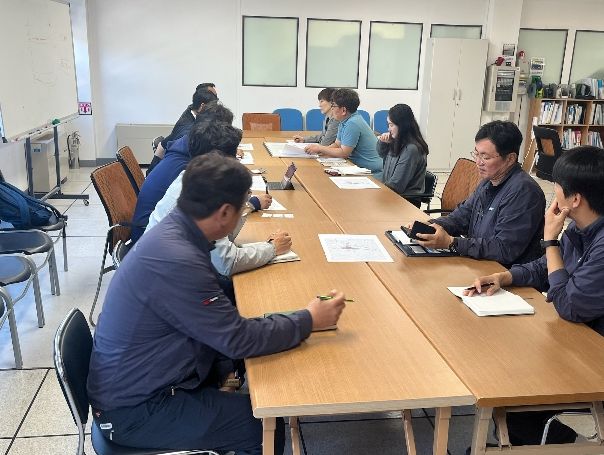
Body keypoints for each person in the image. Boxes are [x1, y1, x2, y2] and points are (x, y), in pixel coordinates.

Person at [87, 152, 347, 454]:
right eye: (242, 208)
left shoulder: (177, 231)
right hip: (136, 411)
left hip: (138, 385)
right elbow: (237, 339)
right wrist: (309, 320)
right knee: (263, 428)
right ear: (224, 213)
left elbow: (219, 324)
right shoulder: (180, 259)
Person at [465, 146, 604, 448]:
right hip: (575, 339)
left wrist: (550, 240)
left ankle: (565, 445)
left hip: (593, 356)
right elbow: (546, 268)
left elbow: (569, 305)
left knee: (511, 395)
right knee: (500, 371)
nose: (554, 193)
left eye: (557, 187)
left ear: (575, 199)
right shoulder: (580, 229)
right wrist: (505, 277)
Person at [412, 120, 546, 268]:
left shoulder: (524, 192)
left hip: (505, 273)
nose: (478, 162)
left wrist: (452, 242)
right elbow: (461, 217)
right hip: (479, 261)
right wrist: (430, 226)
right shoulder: (488, 182)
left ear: (510, 159)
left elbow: (504, 249)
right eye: (476, 154)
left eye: (485, 157)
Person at [130, 103, 270, 243]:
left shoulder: (190, 147)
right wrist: (249, 204)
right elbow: (220, 248)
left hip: (153, 234)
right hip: (146, 234)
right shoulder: (190, 171)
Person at [304, 89, 383, 177]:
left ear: (343, 110)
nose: (332, 108)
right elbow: (337, 144)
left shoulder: (352, 123)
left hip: (371, 173)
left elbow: (344, 153)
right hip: (356, 168)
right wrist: (321, 152)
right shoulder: (344, 120)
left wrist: (320, 149)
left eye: (334, 106)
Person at [147, 83, 218, 175]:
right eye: (213, 104)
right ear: (202, 106)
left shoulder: (192, 111)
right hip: (170, 172)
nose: (215, 109)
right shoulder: (188, 132)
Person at [376, 104, 428, 206]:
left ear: (402, 126)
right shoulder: (397, 141)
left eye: (391, 125)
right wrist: (383, 142)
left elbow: (396, 185)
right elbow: (381, 153)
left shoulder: (411, 149)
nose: (389, 129)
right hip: (392, 195)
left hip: (405, 202)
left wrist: (376, 191)